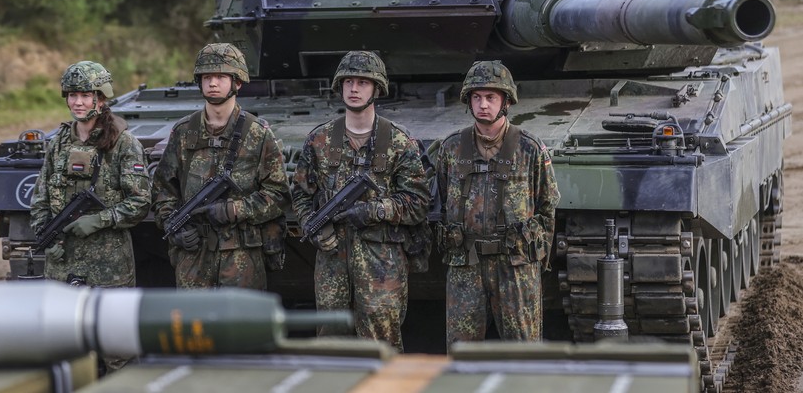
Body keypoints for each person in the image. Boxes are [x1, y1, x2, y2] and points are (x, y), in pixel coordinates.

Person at [292, 51, 429, 352]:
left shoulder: (397, 142)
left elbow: (418, 202)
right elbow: (301, 194)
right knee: (331, 342)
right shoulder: (320, 140)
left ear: (376, 89)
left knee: (382, 343)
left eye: (363, 83)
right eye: (348, 82)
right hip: (332, 261)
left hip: (381, 260)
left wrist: (375, 210)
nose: (354, 89)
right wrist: (312, 227)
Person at [30, 60, 150, 372]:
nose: (77, 102)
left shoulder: (124, 144)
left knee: (116, 351)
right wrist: (46, 235)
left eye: (85, 95)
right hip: (63, 265)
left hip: (108, 267)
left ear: (101, 98)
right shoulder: (57, 143)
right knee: (64, 349)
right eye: (72, 95)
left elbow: (140, 202)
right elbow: (40, 199)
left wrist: (99, 220)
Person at [434, 60, 559, 350]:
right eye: (476, 98)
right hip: (466, 263)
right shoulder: (452, 148)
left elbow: (547, 206)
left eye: (491, 97)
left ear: (505, 101)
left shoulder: (529, 148)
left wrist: (536, 259)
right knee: (462, 355)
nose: (483, 105)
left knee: (524, 355)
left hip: (515, 267)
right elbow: (441, 200)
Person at [152, 43, 291, 289]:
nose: (213, 83)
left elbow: (279, 195)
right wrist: (174, 227)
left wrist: (234, 210)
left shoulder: (257, 134)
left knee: (241, 325)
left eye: (220, 77)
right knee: (192, 326)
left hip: (241, 255)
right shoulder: (183, 132)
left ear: (237, 82)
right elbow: (164, 189)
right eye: (207, 77)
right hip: (193, 252)